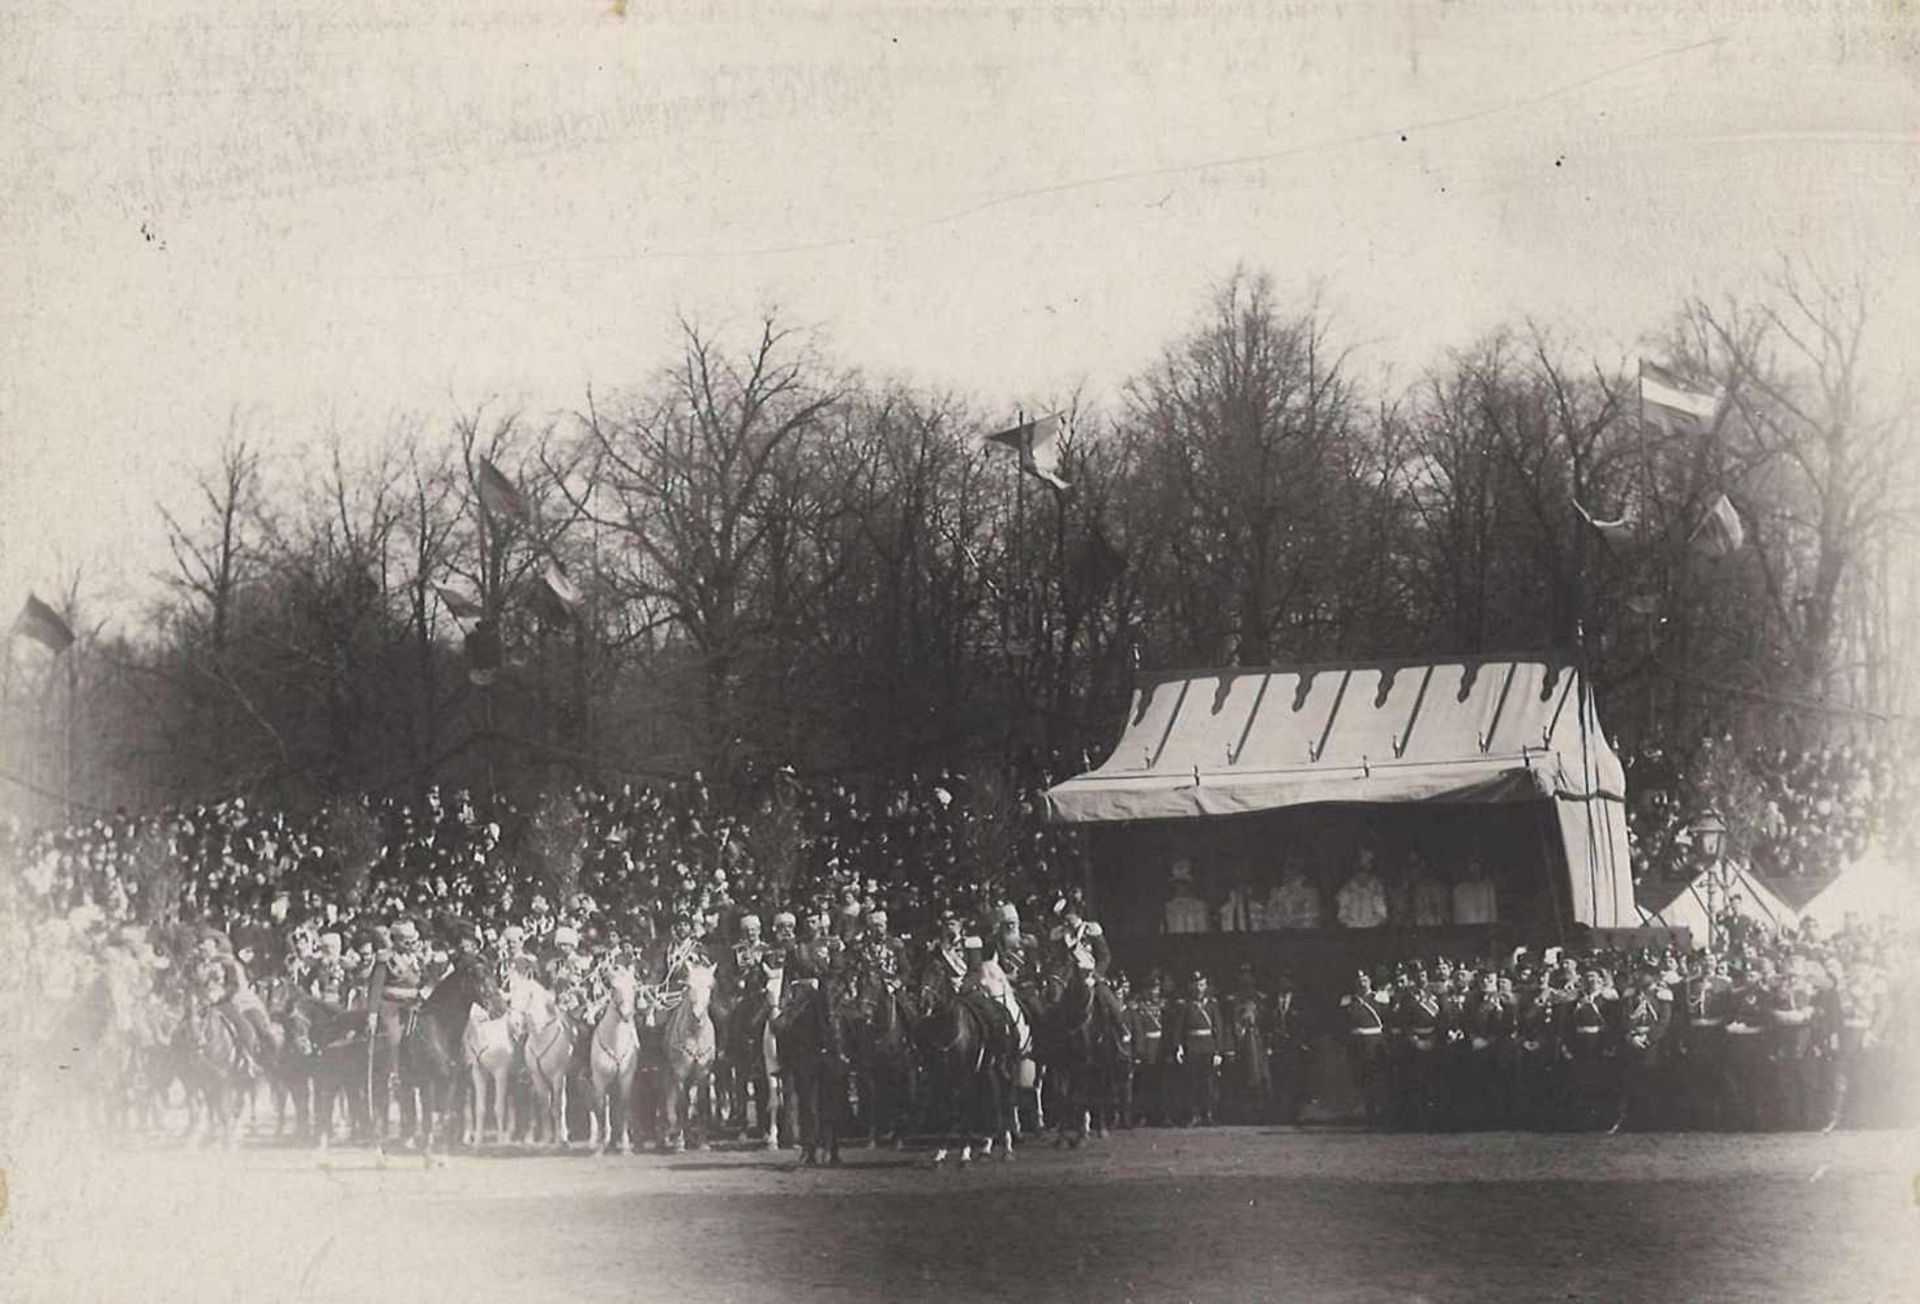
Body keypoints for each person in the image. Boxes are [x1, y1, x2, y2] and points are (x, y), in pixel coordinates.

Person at [1162, 971, 1227, 1126]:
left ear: (1206, 986)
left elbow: (1219, 1028)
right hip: (1192, 1048)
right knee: (1192, 1084)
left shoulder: (1212, 1005)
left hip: (1208, 1048)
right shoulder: (1185, 1006)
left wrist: (1218, 1050)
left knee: (1209, 1084)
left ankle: (1208, 1114)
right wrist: (1178, 1047)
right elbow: (1179, 1029)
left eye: (1202, 985)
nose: (1199, 988)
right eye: (1196, 985)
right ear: (1191, 986)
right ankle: (1193, 1115)